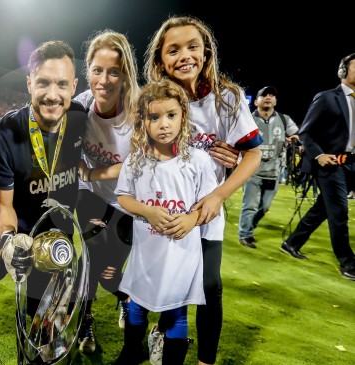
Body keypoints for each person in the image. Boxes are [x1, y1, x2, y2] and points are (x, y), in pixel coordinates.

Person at [0, 40, 87, 365]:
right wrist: (11, 241)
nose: (52, 94)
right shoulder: (4, 134)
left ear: (74, 87)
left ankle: (51, 329)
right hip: (19, 232)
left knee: (41, 343)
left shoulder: (82, 118)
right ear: (29, 83)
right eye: (43, 82)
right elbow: (2, 205)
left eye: (62, 84)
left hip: (56, 240)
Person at [143, 16, 263, 365]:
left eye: (192, 46)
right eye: (173, 50)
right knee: (173, 285)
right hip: (167, 210)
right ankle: (162, 333)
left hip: (207, 210)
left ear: (206, 51)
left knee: (210, 285)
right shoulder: (153, 99)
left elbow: (253, 153)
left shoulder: (227, 98)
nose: (185, 56)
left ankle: (205, 361)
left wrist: (219, 194)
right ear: (160, 60)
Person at [113, 79, 218, 365]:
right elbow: (123, 196)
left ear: (183, 115)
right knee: (137, 306)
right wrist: (147, 211)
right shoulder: (136, 161)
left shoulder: (197, 160)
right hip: (146, 252)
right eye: (154, 117)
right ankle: (131, 352)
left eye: (171, 115)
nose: (164, 124)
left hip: (181, 253)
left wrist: (192, 218)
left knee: (176, 312)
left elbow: (211, 205)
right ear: (143, 122)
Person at [72, 29, 141, 354]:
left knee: (110, 274)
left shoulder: (138, 114)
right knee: (89, 257)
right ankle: (85, 325)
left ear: (125, 75)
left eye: (113, 71)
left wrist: (93, 169)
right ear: (88, 70)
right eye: (97, 70)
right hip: (91, 195)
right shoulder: (81, 107)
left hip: (128, 201)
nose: (103, 79)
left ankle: (124, 298)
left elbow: (138, 164)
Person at [281, 53, 355, 281]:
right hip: (329, 164)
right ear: (343, 71)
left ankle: (291, 243)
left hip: (349, 164)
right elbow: (305, 132)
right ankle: (348, 262)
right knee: (340, 212)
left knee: (323, 208)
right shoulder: (326, 98)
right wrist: (319, 155)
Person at [238, 86, 299, 248]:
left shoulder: (284, 119)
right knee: (249, 205)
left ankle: (250, 225)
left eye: (272, 95)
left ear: (276, 101)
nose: (268, 97)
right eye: (264, 95)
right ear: (256, 101)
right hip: (252, 169)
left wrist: (295, 140)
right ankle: (245, 234)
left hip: (274, 170)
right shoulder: (248, 120)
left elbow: (296, 134)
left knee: (264, 207)